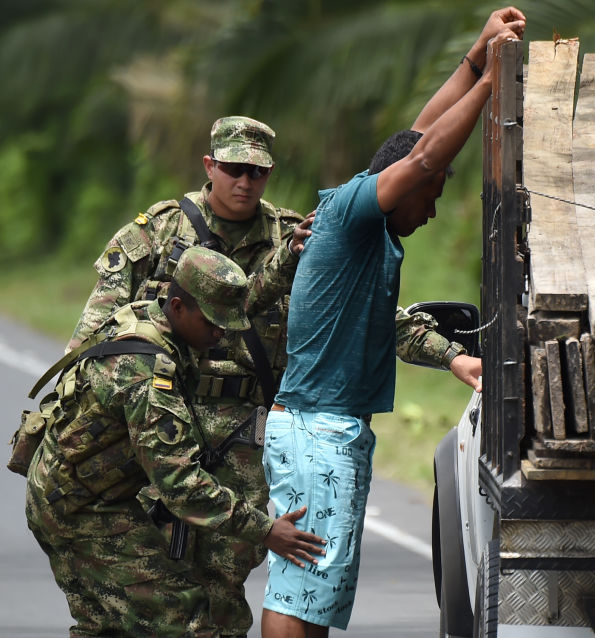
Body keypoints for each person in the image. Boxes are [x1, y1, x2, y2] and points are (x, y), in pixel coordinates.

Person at [66, 116, 482, 635]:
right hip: (163, 429)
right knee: (153, 590)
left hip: (246, 437)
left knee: (223, 593)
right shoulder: (157, 232)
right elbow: (95, 339)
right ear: (210, 166)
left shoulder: (296, 234)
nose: (244, 182)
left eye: (256, 173)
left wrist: (450, 355)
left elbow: (367, 312)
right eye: (234, 169)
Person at [260, 7, 526, 636]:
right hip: (317, 428)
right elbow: (427, 153)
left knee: (312, 595)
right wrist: (494, 80)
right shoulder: (356, 211)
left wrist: (476, 53)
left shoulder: (369, 219)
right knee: (298, 593)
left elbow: (419, 136)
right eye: (430, 196)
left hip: (326, 426)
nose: (431, 211)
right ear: (403, 185)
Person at [25, 246, 327, 637]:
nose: (220, 334)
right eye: (212, 323)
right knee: (185, 619)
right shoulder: (149, 372)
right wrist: (267, 530)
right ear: (179, 306)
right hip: (82, 510)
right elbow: (180, 485)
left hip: (68, 493)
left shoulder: (146, 317)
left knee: (105, 628)